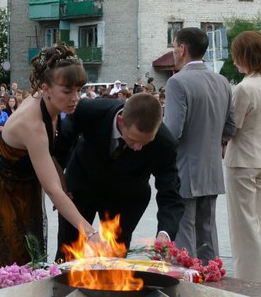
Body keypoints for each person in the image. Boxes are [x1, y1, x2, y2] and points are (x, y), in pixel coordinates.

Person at [0, 43, 102, 281]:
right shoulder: (33, 124)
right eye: (67, 91)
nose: (75, 98)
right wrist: (89, 232)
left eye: (79, 89)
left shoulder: (49, 103)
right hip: (3, 194)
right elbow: (52, 189)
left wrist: (65, 185)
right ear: (45, 88)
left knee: (28, 259)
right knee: (8, 268)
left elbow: (52, 155)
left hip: (25, 190)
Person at [55, 94, 184, 257]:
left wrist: (165, 233)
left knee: (114, 256)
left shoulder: (165, 143)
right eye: (133, 139)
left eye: (145, 143)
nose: (138, 147)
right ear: (121, 121)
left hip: (126, 195)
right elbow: (60, 144)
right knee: (69, 248)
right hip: (82, 182)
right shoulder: (89, 111)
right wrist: (59, 184)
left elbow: (171, 193)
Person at [164, 27, 236, 261]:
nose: (174, 51)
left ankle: (187, 286)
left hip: (184, 168)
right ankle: (212, 279)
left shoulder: (177, 82)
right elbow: (230, 127)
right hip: (212, 169)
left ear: (182, 48)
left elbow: (172, 131)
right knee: (207, 232)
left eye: (174, 46)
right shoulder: (222, 81)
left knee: (184, 233)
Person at [224, 30, 261, 282]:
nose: (234, 60)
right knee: (256, 222)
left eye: (236, 55)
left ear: (244, 56)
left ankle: (250, 283)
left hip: (241, 162)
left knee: (242, 227)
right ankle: (258, 278)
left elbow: (231, 130)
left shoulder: (243, 89)